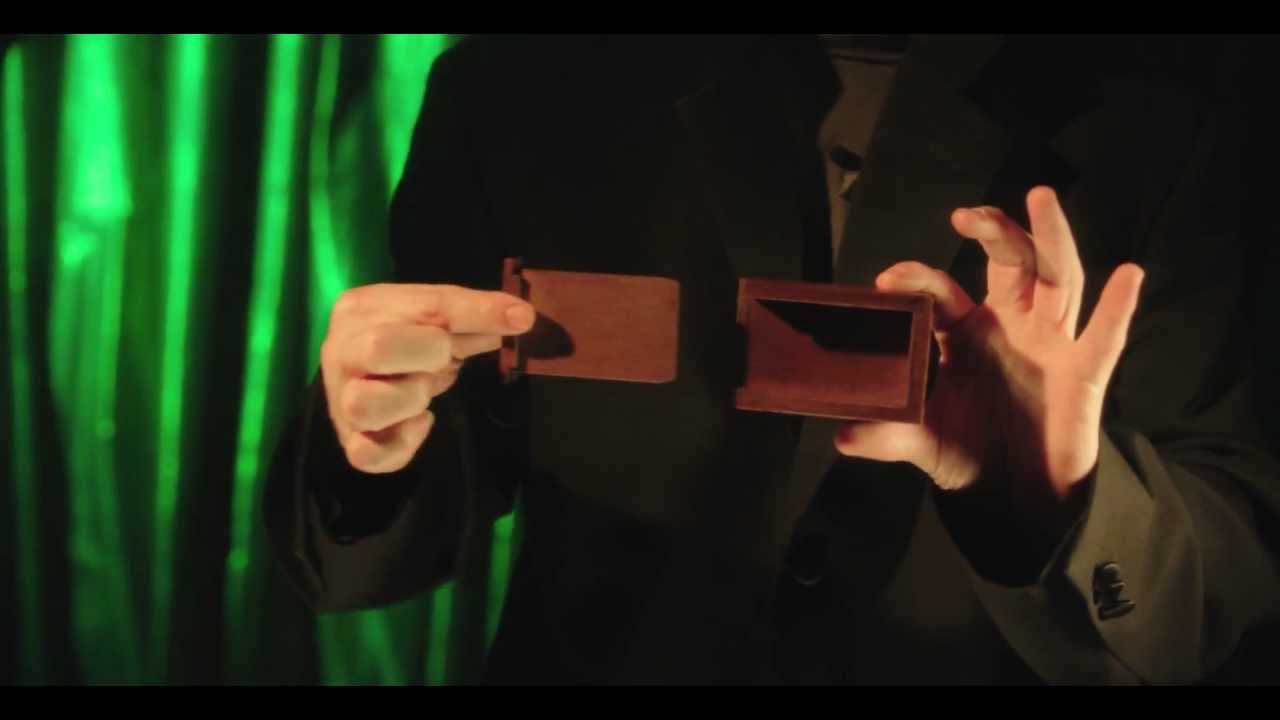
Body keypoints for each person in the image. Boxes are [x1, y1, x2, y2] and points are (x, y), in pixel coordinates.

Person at [265, 34, 1280, 684]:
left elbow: (1227, 591)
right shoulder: (516, 86)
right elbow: (393, 522)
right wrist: (368, 441)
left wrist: (1065, 501)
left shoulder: (1184, 109)